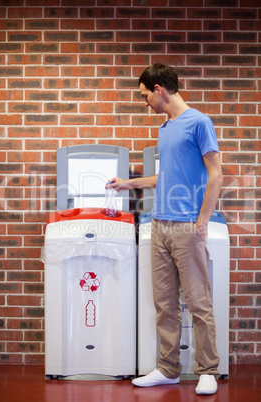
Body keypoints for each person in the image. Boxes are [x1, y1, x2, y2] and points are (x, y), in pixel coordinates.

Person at [106, 63, 223, 395]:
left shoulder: (199, 123)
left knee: (199, 302)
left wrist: (202, 221)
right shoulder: (166, 126)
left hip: (187, 227)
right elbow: (167, 177)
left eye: (145, 95)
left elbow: (216, 175)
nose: (145, 102)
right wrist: (129, 183)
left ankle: (208, 370)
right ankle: (168, 369)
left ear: (159, 89)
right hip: (159, 224)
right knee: (165, 303)